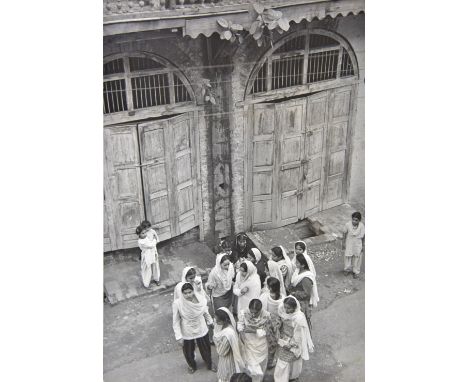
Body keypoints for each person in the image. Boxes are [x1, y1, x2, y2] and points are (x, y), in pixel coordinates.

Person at [172, 283, 217, 374]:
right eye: (185, 293)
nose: (188, 295)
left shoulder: (201, 300)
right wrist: (179, 337)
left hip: (201, 326)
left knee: (206, 347)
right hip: (187, 329)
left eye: (190, 292)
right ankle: (192, 365)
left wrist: (210, 322)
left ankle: (209, 363)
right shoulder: (177, 303)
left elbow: (205, 312)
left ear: (193, 291)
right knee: (188, 350)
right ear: (182, 293)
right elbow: (176, 321)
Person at [274, 296, 314, 382]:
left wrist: (290, 344)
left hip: (293, 342)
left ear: (294, 308)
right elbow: (279, 318)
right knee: (282, 361)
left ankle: (293, 376)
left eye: (289, 308)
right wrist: (278, 324)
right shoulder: (282, 310)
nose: (286, 310)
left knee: (293, 360)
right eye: (285, 307)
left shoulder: (298, 318)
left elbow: (299, 335)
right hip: (283, 339)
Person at [237, 299, 271, 382]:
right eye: (251, 312)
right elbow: (240, 324)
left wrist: (254, 331)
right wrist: (241, 334)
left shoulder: (266, 315)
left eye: (256, 313)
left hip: (261, 344)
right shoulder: (243, 313)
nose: (253, 315)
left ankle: (259, 379)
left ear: (260, 310)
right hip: (247, 342)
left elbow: (267, 331)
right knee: (249, 364)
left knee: (261, 364)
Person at [288, 253, 319, 333]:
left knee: (302, 324)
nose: (295, 264)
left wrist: (294, 293)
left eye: (297, 262)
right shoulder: (298, 271)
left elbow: (306, 294)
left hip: (302, 304)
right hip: (296, 300)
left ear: (303, 265)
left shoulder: (306, 278)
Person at [213, 307, 246, 382]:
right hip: (225, 357)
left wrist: (215, 339)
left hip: (227, 359)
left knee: (227, 375)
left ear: (224, 321)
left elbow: (221, 352)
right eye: (215, 319)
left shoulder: (228, 334)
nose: (215, 322)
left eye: (218, 321)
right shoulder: (222, 326)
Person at [259, 277, 284, 369]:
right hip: (277, 324)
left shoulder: (265, 296)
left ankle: (265, 361)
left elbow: (260, 308)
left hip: (267, 323)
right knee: (273, 344)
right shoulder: (282, 298)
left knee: (265, 343)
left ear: (270, 288)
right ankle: (270, 362)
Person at [343, 211, 365, 279]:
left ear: (359, 220)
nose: (354, 221)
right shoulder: (347, 225)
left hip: (358, 244)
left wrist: (363, 246)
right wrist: (343, 243)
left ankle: (356, 271)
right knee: (348, 256)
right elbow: (344, 233)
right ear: (351, 219)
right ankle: (347, 269)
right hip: (349, 243)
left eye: (356, 220)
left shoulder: (362, 226)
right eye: (353, 219)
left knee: (357, 258)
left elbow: (363, 236)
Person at [141, 220, 161, 285]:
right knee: (147, 267)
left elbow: (157, 239)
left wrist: (154, 242)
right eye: (146, 228)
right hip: (146, 252)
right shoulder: (142, 233)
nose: (147, 229)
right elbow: (141, 243)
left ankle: (157, 279)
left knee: (155, 265)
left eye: (148, 227)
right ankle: (146, 282)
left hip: (153, 251)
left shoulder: (152, 231)